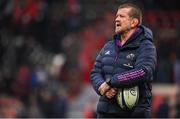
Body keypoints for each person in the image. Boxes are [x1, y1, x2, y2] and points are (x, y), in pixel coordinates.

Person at [90, 3, 157, 118]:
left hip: (133, 114)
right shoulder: (108, 46)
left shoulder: (146, 46)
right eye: (116, 16)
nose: (116, 19)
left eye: (122, 16)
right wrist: (102, 87)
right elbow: (95, 72)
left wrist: (111, 82)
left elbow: (143, 71)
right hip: (105, 113)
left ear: (133, 22)